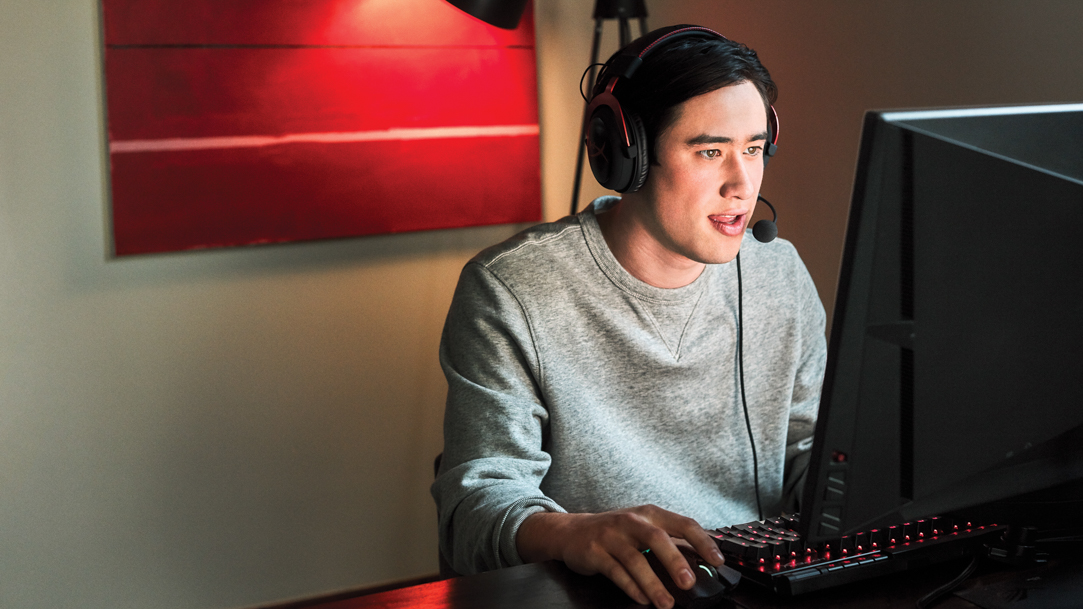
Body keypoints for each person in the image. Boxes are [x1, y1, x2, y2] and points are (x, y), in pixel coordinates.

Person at [431, 25, 826, 609]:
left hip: (752, 588)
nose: (742, 184)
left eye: (753, 148)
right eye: (710, 151)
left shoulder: (778, 274)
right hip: (595, 596)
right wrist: (571, 532)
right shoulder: (513, 289)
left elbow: (808, 455)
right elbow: (475, 509)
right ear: (625, 155)